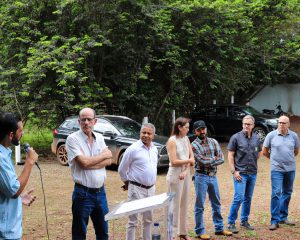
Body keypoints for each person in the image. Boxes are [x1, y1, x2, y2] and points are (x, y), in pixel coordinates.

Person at [66, 107, 113, 240]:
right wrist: (101, 156)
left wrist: (90, 163)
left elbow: (109, 159)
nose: (86, 122)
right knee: (79, 234)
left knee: (103, 232)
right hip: (83, 194)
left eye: (89, 119)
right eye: (83, 120)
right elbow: (83, 163)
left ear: (95, 121)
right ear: (78, 121)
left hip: (101, 193)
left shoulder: (100, 138)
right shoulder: (72, 139)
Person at [191, 120, 232, 240]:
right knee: (199, 205)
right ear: (195, 131)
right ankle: (200, 231)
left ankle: (219, 228)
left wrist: (209, 159)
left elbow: (222, 159)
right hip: (201, 177)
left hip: (213, 176)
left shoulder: (213, 141)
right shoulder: (193, 145)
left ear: (206, 129)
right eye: (199, 130)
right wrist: (214, 158)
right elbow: (202, 161)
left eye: (203, 129)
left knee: (216, 203)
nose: (202, 131)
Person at [0, 112, 38, 239]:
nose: (22, 134)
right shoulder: (0, 158)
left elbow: (7, 189)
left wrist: (19, 198)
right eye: (20, 131)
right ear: (11, 135)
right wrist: (29, 162)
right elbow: (14, 190)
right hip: (5, 233)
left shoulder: (5, 153)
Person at [118, 123, 158, 240]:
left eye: (148, 133)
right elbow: (122, 169)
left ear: (153, 135)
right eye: (143, 132)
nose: (145, 135)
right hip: (136, 188)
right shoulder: (133, 149)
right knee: (133, 220)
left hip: (151, 189)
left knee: (148, 219)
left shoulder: (155, 149)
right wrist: (127, 183)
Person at [262, 115, 300, 231]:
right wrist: (275, 160)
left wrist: (287, 160)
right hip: (276, 170)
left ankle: (283, 217)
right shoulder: (271, 135)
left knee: (287, 192)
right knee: (276, 193)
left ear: (288, 124)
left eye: (284, 123)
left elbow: (296, 151)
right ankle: (275, 220)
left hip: (290, 170)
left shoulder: (294, 136)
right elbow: (264, 151)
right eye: (279, 123)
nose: (281, 125)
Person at [227, 115, 262, 233]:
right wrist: (234, 171)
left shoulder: (256, 138)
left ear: (253, 125)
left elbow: (258, 152)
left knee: (248, 198)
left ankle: (244, 221)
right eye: (244, 124)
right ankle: (231, 222)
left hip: (252, 173)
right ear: (242, 124)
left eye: (249, 124)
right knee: (238, 197)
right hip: (240, 173)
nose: (246, 126)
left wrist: (253, 162)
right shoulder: (235, 138)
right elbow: (230, 155)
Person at [166, 117, 195, 240]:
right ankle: (171, 234)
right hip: (175, 174)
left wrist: (187, 169)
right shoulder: (172, 141)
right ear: (179, 127)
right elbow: (173, 161)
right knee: (174, 205)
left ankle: (182, 231)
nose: (188, 129)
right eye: (186, 127)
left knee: (184, 203)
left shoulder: (186, 138)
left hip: (185, 173)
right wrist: (189, 161)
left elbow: (191, 155)